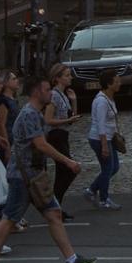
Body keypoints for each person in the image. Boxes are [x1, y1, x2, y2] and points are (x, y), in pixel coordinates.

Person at [0, 77, 96, 263]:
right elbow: (41, 144)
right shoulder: (29, 115)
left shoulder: (35, 113)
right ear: (36, 92)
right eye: (46, 89)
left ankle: (71, 259)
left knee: (53, 214)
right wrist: (68, 162)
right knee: (9, 218)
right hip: (24, 176)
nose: (50, 92)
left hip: (32, 175)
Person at [85, 71, 124, 210]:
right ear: (109, 84)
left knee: (113, 167)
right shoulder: (101, 101)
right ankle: (103, 199)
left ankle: (92, 190)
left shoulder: (109, 98)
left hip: (109, 138)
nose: (119, 83)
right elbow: (100, 124)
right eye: (117, 81)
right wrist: (104, 145)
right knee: (108, 168)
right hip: (100, 139)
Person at [44, 64, 81, 203]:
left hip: (63, 134)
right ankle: (54, 203)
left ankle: (56, 205)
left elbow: (72, 118)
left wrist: (74, 100)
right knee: (69, 170)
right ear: (57, 79)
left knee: (63, 171)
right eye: (67, 75)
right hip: (56, 136)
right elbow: (48, 119)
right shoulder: (54, 95)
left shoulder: (64, 95)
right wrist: (67, 120)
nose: (70, 77)